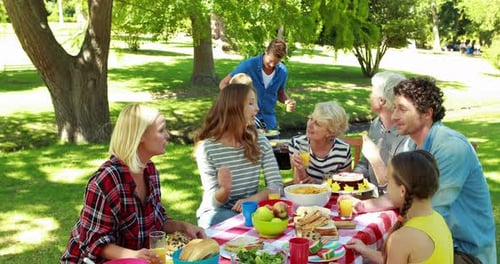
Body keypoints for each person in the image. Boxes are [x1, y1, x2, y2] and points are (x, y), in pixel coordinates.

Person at [353, 78, 496, 264]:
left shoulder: (450, 148)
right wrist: (362, 206)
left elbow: (431, 209)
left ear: (427, 113)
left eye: (402, 109)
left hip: (464, 252)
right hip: (438, 240)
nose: (394, 116)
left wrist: (393, 242)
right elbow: (402, 194)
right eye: (394, 108)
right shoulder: (411, 144)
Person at [60, 104, 206, 264]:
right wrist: (134, 255)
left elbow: (157, 222)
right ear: (140, 136)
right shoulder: (107, 181)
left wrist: (183, 226)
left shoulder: (150, 171)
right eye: (161, 130)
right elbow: (95, 243)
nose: (168, 135)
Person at [194, 83, 283, 228]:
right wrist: (224, 190)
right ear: (234, 109)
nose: (257, 108)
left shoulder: (260, 141)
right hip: (217, 212)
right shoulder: (207, 148)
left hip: (249, 210)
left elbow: (276, 186)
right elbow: (212, 202)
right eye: (250, 103)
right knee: (244, 223)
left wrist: (252, 200)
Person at [346, 150, 453, 263]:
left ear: (402, 191)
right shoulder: (438, 220)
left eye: (389, 181)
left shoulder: (401, 238)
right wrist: (365, 250)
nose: (387, 188)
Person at [218, 39, 296, 130]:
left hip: (269, 122)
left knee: (274, 144)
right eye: (270, 61)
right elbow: (224, 83)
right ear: (266, 51)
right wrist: (234, 103)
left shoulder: (282, 72)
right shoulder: (249, 65)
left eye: (276, 63)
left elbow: (280, 93)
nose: (272, 65)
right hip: (248, 121)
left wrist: (287, 101)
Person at [353, 71, 409, 195]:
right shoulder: (376, 124)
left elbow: (401, 192)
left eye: (372, 91)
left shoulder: (407, 137)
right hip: (371, 199)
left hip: (394, 204)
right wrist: (352, 179)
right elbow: (365, 162)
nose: (369, 96)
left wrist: (376, 160)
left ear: (381, 101)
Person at [288, 101, 352, 184]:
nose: (310, 125)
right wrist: (300, 168)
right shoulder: (297, 143)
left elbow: (345, 184)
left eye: (317, 123)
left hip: (331, 195)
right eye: (311, 118)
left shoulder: (343, 150)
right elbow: (299, 182)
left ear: (331, 132)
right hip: (305, 194)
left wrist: (319, 185)